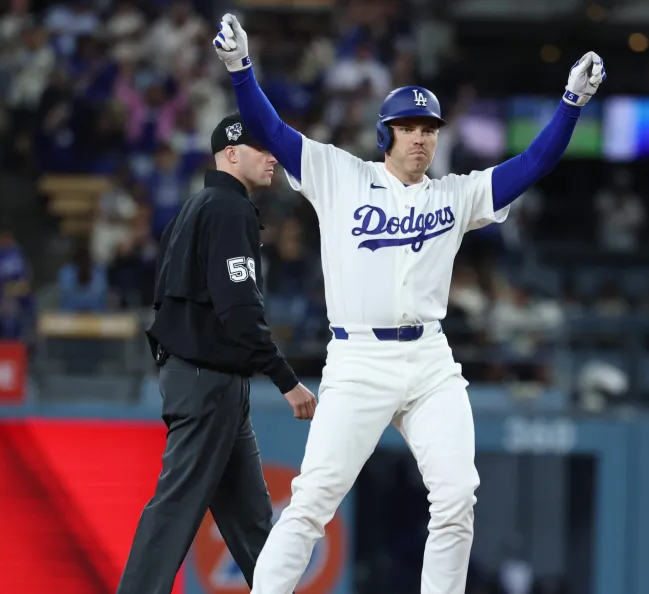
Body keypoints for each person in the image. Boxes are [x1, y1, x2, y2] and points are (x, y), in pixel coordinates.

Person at [211, 13, 605, 594]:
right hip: (358, 359)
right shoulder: (339, 174)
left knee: (457, 496)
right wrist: (241, 69)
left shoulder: (456, 194)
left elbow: (533, 164)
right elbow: (270, 130)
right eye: (408, 127)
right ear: (385, 135)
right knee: (313, 499)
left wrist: (571, 104)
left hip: (428, 361)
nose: (420, 137)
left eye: (429, 128)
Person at [116, 113, 317, 594]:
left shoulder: (193, 208)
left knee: (252, 525)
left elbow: (164, 300)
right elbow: (240, 311)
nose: (272, 156)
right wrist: (286, 379)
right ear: (230, 154)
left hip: (205, 381)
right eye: (260, 148)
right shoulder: (228, 209)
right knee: (174, 509)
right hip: (207, 383)